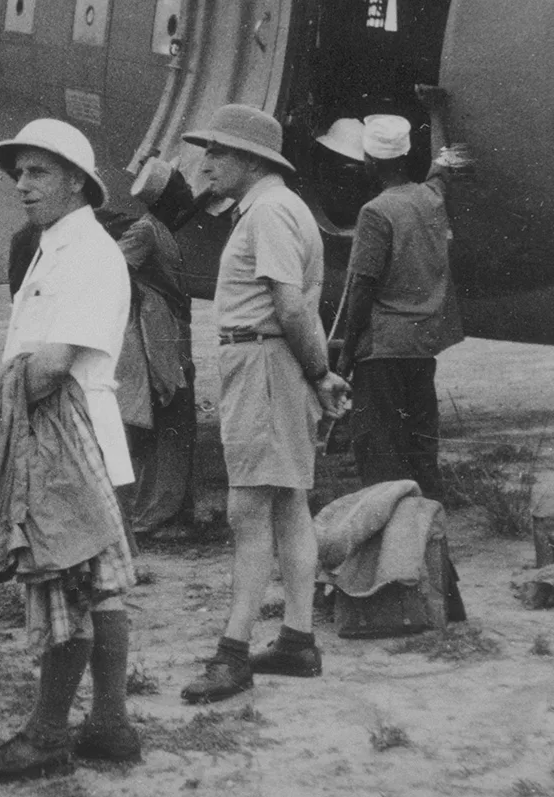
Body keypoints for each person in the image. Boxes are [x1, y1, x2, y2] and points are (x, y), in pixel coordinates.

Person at [0, 118, 138, 778]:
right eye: (19, 172)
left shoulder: (88, 251)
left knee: (64, 583)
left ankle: (46, 733)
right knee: (98, 585)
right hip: (78, 435)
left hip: (69, 435)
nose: (22, 184)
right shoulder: (57, 243)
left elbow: (50, 365)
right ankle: (111, 723)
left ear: (76, 181)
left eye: (37, 172)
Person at [179, 104, 349, 704]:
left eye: (219, 152)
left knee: (247, 512)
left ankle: (232, 655)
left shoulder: (271, 211)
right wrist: (316, 375)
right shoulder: (275, 208)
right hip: (269, 363)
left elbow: (291, 305)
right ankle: (297, 641)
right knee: (287, 506)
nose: (207, 163)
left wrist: (320, 373)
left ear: (251, 159)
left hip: (265, 363)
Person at [336, 114, 463, 498]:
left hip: (382, 353)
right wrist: (439, 112)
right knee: (421, 452)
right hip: (422, 348)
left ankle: (394, 547)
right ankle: (430, 542)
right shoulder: (431, 197)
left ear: (371, 163)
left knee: (381, 459)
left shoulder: (376, 212)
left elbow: (361, 288)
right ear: (406, 155)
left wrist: (345, 356)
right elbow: (443, 165)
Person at [113, 158, 197, 538]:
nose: (187, 190)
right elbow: (113, 269)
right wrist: (145, 307)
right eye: (180, 184)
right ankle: (154, 515)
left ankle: (170, 509)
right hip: (158, 339)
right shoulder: (146, 231)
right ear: (166, 195)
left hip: (173, 337)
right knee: (167, 424)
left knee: (176, 424)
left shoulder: (160, 228)